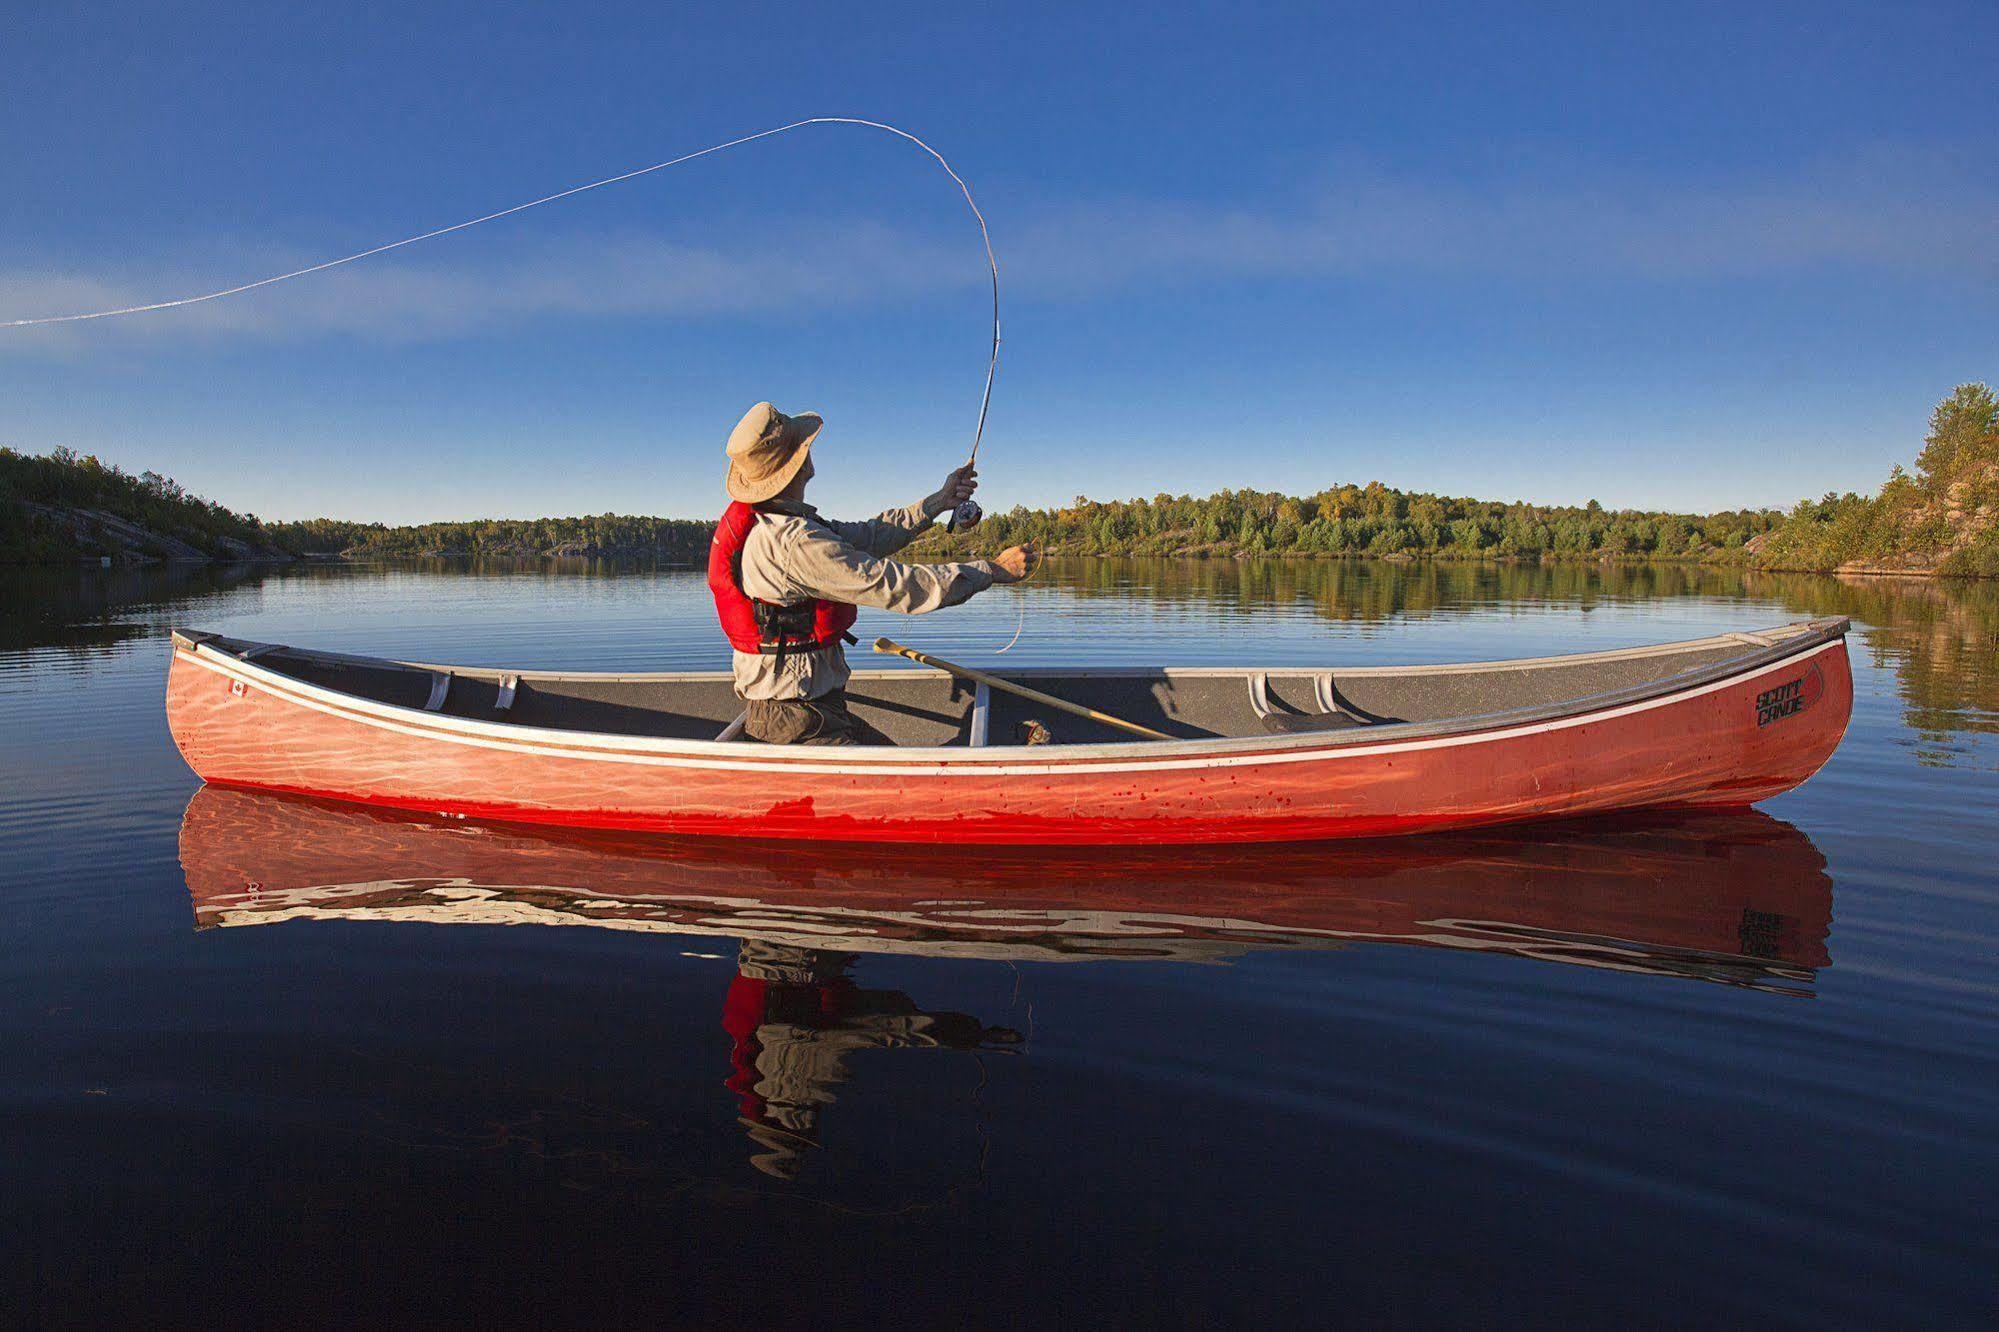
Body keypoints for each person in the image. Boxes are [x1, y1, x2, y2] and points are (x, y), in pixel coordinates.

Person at [709, 401, 1037, 745]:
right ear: (800, 462)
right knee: (903, 787)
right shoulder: (795, 543)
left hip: (808, 710)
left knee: (902, 772)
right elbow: (898, 586)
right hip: (796, 722)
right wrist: (994, 570)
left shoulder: (784, 525)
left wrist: (938, 502)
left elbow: (870, 534)